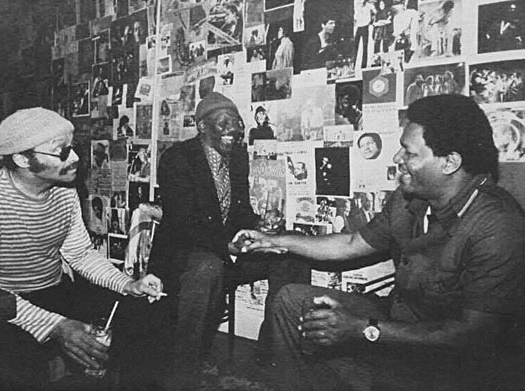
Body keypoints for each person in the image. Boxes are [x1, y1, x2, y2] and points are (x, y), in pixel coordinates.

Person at [234, 94, 525, 391]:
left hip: (456, 362)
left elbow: (472, 335)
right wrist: (272, 240)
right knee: (291, 300)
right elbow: (350, 243)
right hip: (399, 322)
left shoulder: (498, 225)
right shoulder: (408, 199)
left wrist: (364, 330)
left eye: (409, 153)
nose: (397, 159)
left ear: (450, 162)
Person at [0, 108, 164, 390]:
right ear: (22, 159)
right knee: (6, 359)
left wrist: (129, 284)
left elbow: (79, 254)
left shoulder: (64, 192)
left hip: (54, 291)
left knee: (139, 320)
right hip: (3, 305)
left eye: (73, 148)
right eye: (63, 151)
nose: (77, 158)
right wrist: (55, 326)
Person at [147, 92, 311, 390]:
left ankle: (269, 353)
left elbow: (240, 209)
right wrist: (227, 246)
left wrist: (258, 229)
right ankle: (184, 372)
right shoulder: (177, 158)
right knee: (207, 268)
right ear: (201, 126)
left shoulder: (237, 156)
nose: (233, 129)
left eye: (236, 122)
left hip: (226, 253)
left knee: (290, 254)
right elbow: (182, 224)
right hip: (186, 256)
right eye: (223, 122)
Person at [354, 0, 376, 69]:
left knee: (365, 46)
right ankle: (354, 64)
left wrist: (371, 20)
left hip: (365, 26)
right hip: (358, 26)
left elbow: (375, 12)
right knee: (355, 45)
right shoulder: (357, 4)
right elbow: (355, 14)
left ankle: (363, 65)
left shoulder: (369, 5)